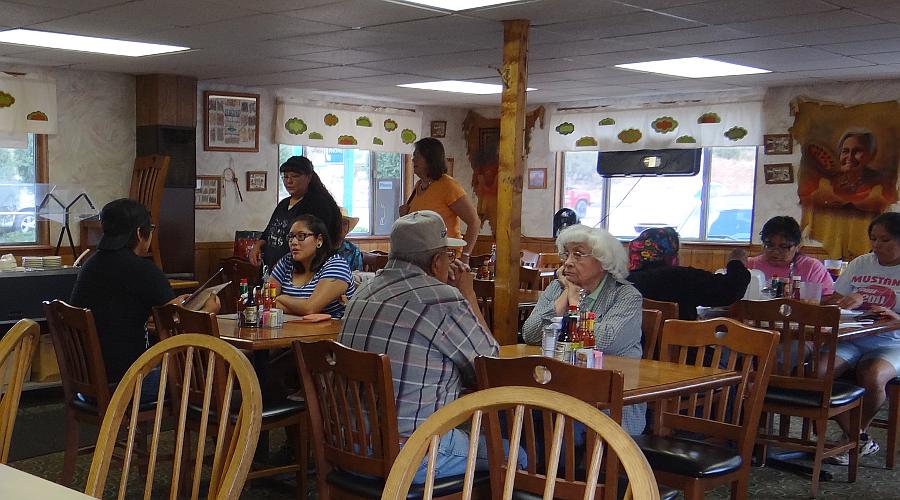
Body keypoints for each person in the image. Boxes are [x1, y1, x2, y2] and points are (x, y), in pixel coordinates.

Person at [339, 210, 511, 482]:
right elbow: (492, 368)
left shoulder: (362, 293)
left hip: (347, 446)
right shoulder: (441, 301)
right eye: (449, 256)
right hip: (411, 455)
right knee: (518, 457)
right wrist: (468, 295)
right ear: (436, 262)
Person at [70, 198, 220, 385]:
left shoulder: (90, 265)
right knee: (200, 381)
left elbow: (122, 308)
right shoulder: (142, 270)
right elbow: (177, 326)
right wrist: (207, 311)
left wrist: (178, 304)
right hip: (128, 381)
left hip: (88, 381)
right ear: (140, 233)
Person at [521, 224, 645, 435]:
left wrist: (576, 303)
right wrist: (564, 299)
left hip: (610, 403)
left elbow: (607, 341)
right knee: (514, 417)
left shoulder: (626, 296)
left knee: (555, 427)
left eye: (578, 255)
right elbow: (530, 334)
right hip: (561, 392)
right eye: (566, 254)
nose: (568, 262)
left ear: (603, 261)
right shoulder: (558, 288)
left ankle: (550, 468)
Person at [822, 212, 900, 464]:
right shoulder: (861, 263)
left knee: (873, 374)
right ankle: (860, 438)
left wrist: (894, 318)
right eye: (873, 239)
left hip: (893, 341)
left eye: (885, 240)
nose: (877, 245)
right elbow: (835, 299)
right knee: (818, 373)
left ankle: (852, 442)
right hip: (854, 336)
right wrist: (849, 301)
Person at [626, 227, 751, 320]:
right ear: (671, 253)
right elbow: (731, 289)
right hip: (683, 353)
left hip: (632, 353)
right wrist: (736, 261)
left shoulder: (624, 280)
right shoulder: (680, 278)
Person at [250, 156, 342, 272]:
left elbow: (319, 242)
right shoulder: (283, 203)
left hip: (298, 272)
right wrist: (257, 246)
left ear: (308, 177)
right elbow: (269, 232)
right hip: (273, 270)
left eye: (295, 176)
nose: (289, 181)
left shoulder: (319, 205)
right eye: (285, 177)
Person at [399, 137, 480, 263]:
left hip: (446, 261)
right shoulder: (418, 186)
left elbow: (474, 222)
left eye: (417, 156)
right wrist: (405, 217)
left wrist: (465, 256)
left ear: (430, 159)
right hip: (423, 259)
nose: (413, 159)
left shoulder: (448, 185)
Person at [269, 214, 355, 319]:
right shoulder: (287, 261)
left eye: (301, 236)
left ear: (319, 240)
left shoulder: (336, 265)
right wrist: (298, 308)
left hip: (329, 332)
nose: (294, 242)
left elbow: (310, 308)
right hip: (291, 329)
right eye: (291, 237)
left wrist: (280, 298)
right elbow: (267, 300)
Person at [748, 216, 834, 295]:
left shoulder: (812, 268)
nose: (775, 252)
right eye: (769, 245)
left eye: (784, 247)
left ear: (797, 246)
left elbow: (828, 300)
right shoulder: (749, 265)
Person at [335, 206, 363, 272]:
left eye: (345, 224)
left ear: (348, 228)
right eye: (339, 223)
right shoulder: (323, 248)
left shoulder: (354, 251)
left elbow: (359, 275)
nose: (341, 227)